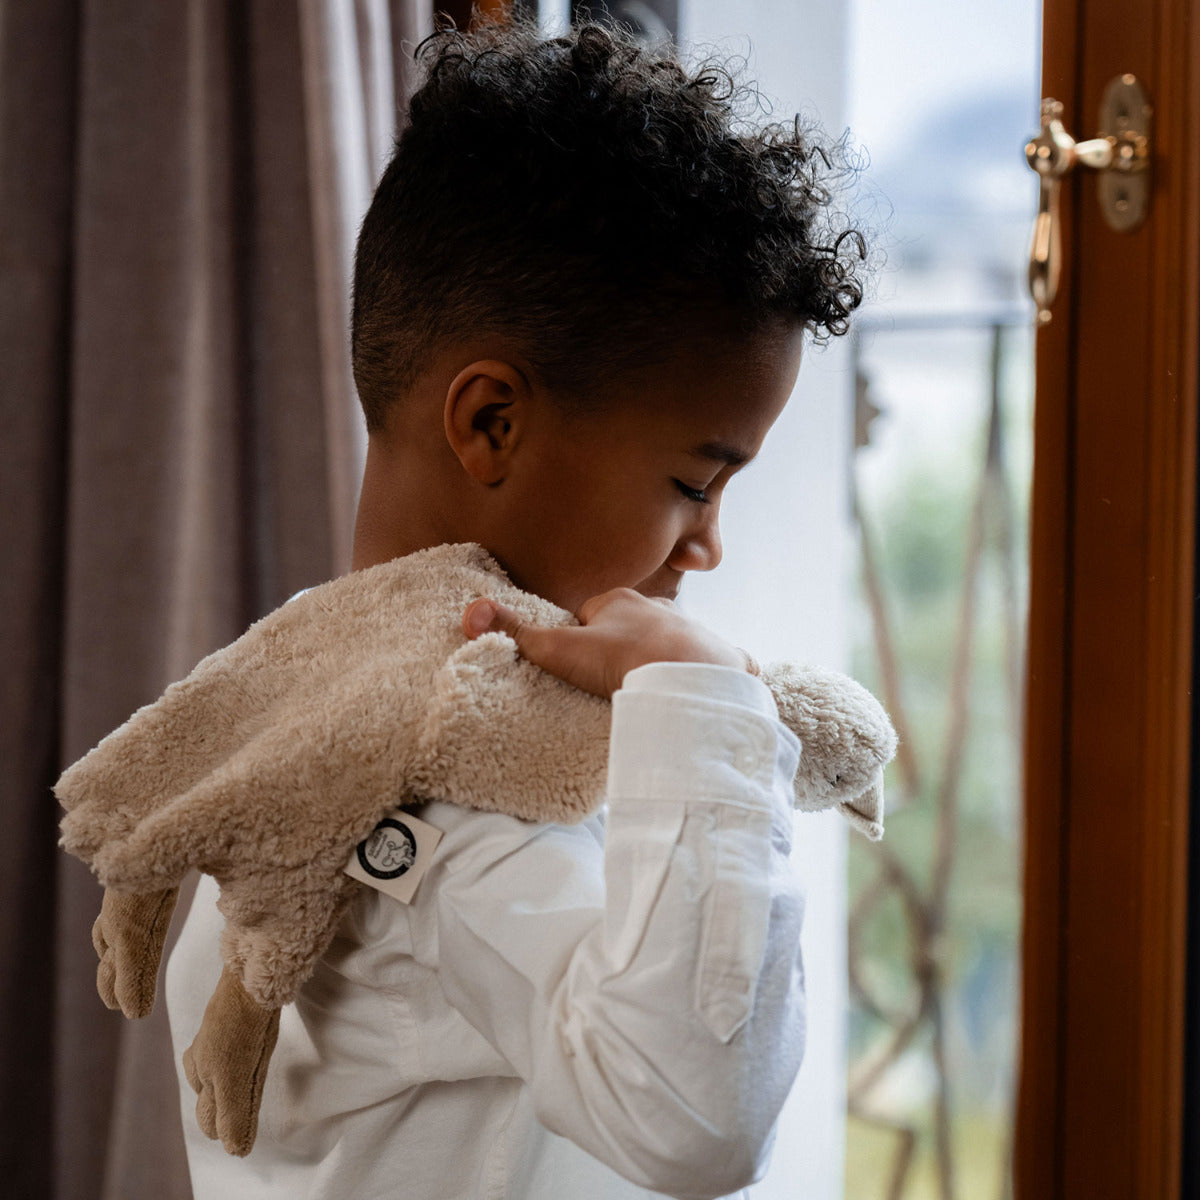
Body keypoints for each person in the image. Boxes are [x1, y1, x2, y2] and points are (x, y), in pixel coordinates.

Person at [165, 10, 868, 1199]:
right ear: (492, 422)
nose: (705, 546)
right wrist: (699, 699)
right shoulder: (452, 808)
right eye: (693, 483)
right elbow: (696, 1119)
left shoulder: (305, 694)